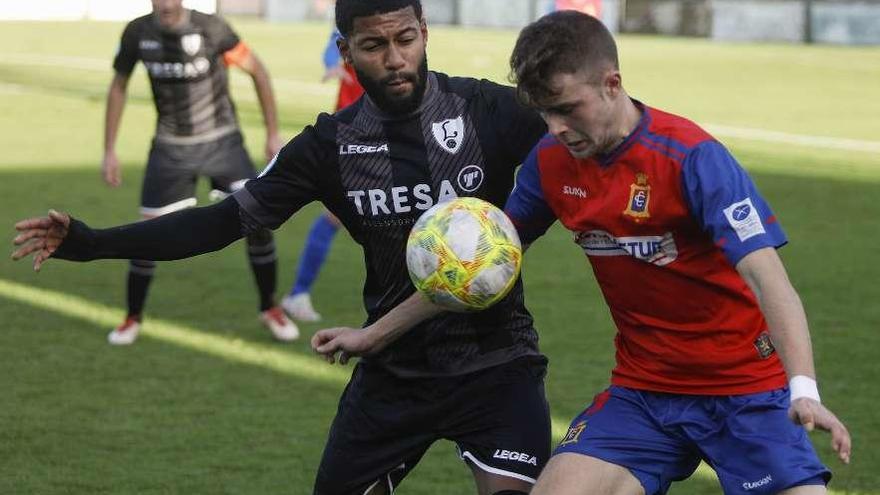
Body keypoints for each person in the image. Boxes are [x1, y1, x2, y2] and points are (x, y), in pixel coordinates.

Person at [13, 1, 551, 493]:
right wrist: (92, 242)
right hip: (394, 374)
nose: (394, 59)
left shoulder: (485, 110)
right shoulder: (328, 145)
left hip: (497, 365)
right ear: (345, 51)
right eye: (373, 45)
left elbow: (593, 133)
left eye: (405, 40)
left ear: (424, 33)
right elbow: (220, 223)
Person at [501, 11, 850, 495]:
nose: (556, 127)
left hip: (746, 391)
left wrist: (804, 389)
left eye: (567, 108)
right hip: (644, 394)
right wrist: (377, 333)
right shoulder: (551, 161)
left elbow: (769, 278)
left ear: (612, 83)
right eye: (545, 112)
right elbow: (483, 258)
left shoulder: (690, 157)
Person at [98, 0, 298, 344]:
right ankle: (132, 317)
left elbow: (257, 71)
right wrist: (109, 150)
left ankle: (269, 308)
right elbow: (119, 86)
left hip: (223, 143)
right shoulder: (137, 32)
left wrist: (272, 132)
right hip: (170, 148)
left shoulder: (212, 28)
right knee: (147, 235)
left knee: (259, 222)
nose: (164, 4)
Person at [281, 26, 364, 323]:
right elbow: (333, 44)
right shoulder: (354, 14)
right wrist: (332, 65)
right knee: (336, 216)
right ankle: (298, 293)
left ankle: (298, 294)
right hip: (353, 136)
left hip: (381, 130)